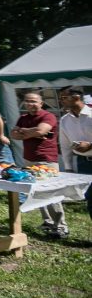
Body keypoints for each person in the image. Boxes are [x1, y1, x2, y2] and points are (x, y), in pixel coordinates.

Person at [10, 92, 66, 238]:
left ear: (41, 103)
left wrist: (27, 132)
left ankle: (60, 227)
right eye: (28, 101)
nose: (31, 104)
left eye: (34, 101)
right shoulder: (23, 118)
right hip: (29, 159)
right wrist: (33, 132)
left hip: (46, 160)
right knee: (36, 192)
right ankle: (47, 222)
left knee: (51, 193)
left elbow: (42, 130)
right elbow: (13, 134)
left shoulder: (48, 116)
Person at [57, 87, 92, 220]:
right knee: (90, 199)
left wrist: (90, 145)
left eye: (64, 97)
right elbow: (65, 146)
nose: (61, 101)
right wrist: (68, 168)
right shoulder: (65, 120)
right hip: (83, 164)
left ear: (76, 97)